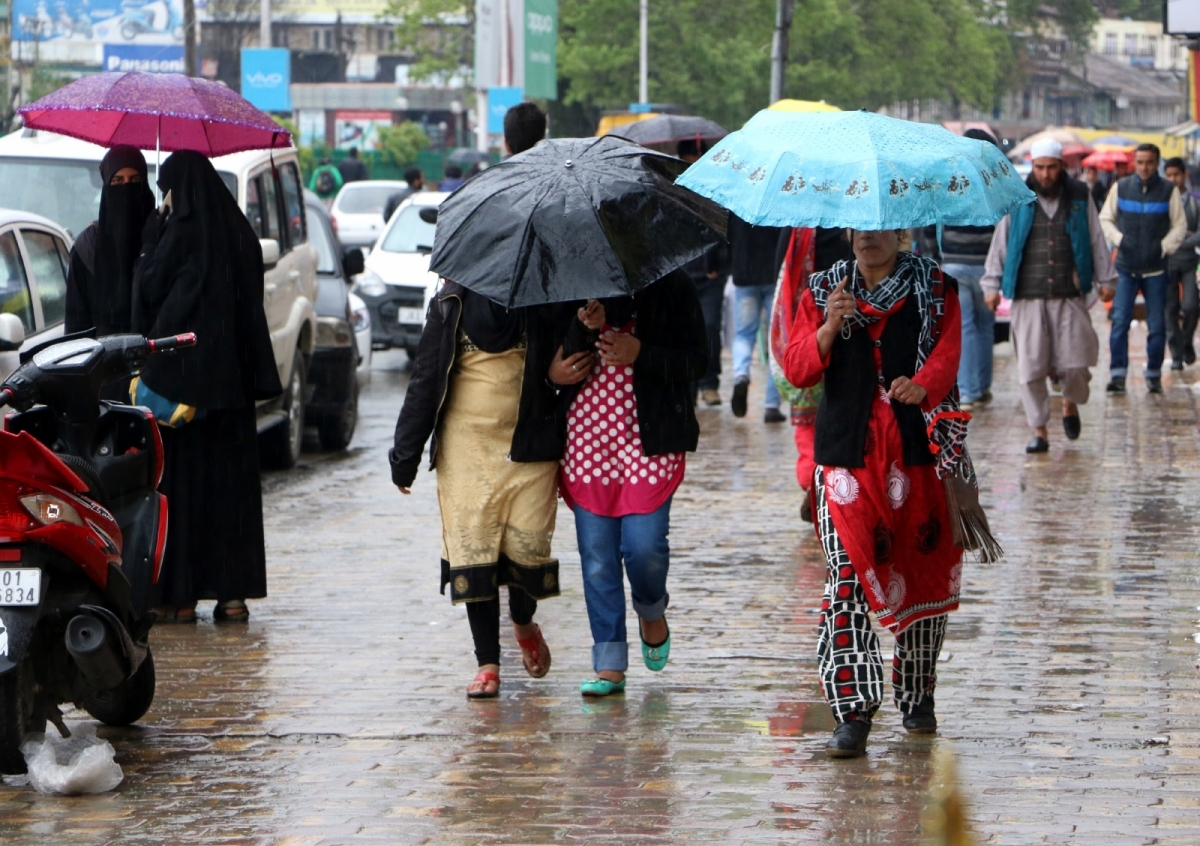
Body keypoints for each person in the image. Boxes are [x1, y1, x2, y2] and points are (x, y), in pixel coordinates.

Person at [782, 230, 966, 759]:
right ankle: (853, 710)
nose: (869, 237)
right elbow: (798, 368)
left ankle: (917, 694)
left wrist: (925, 383)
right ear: (848, 234)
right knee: (846, 580)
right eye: (859, 228)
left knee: (922, 573)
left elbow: (949, 352)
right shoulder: (821, 291)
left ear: (901, 232)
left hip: (919, 457)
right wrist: (829, 327)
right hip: (848, 462)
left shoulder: (935, 286)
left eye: (881, 226)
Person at [390, 284, 569, 698]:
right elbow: (426, 379)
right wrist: (405, 454)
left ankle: (524, 624)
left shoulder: (544, 294)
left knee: (528, 554)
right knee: (476, 553)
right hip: (467, 451)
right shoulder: (449, 303)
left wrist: (563, 358)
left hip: (529, 446)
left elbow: (569, 358)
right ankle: (487, 663)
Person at [131, 150, 283, 623]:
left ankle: (180, 598)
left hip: (180, 396)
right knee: (231, 498)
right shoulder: (239, 234)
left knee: (181, 495)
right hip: (230, 392)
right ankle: (233, 596)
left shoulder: (174, 233)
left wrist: (155, 234)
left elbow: (149, 290)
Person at [557, 272, 707, 697]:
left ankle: (651, 608)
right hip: (586, 442)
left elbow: (697, 361)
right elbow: (548, 362)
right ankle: (608, 663)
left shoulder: (673, 285)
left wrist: (640, 352)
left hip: (650, 441)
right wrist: (582, 327)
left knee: (645, 547)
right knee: (598, 557)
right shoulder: (572, 285)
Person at [982, 138, 1116, 452]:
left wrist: (1107, 279)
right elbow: (1001, 243)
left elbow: (1096, 240)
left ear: (1062, 168)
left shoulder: (1080, 197)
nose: (1045, 175)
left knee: (1075, 364)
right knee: (1030, 369)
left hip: (1069, 293)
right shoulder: (1017, 199)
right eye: (1039, 168)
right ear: (1033, 167)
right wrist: (991, 285)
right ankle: (1039, 430)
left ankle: (1070, 402)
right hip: (1028, 296)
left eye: (1051, 168)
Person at [771, 227, 853, 522]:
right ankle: (816, 486)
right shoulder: (859, 223)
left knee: (809, 418)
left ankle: (812, 482)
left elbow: (783, 268)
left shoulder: (804, 224)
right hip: (823, 326)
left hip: (809, 322)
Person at [917, 128, 1001, 410]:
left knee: (964, 327)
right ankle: (982, 387)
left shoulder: (947, 181)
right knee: (985, 326)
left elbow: (930, 223)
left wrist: (934, 256)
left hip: (953, 262)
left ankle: (967, 391)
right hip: (988, 267)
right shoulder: (996, 184)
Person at [65, 145, 157, 400]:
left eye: (135, 180)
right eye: (117, 181)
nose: (126, 188)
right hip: (104, 383)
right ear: (106, 186)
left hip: (156, 381)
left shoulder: (161, 240)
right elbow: (76, 329)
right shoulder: (87, 248)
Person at [1099, 143, 1187, 394]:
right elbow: (1105, 218)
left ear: (1157, 163)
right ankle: (1117, 375)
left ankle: (1154, 374)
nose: (1144, 167)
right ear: (1134, 163)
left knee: (1157, 326)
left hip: (1157, 270)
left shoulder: (1168, 191)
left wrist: (1163, 246)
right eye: (1140, 162)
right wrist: (1120, 239)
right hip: (1126, 269)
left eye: (1149, 162)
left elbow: (1179, 226)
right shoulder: (1122, 188)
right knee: (1119, 323)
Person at [678, 137, 728, 407]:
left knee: (709, 327)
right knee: (685, 331)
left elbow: (725, 230)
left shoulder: (716, 190)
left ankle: (710, 382)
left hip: (711, 276)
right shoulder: (672, 189)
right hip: (683, 274)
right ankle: (691, 384)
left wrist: (719, 264)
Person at [728, 212, 786, 422]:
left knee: (743, 334)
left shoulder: (738, 202)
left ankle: (741, 374)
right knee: (775, 340)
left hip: (744, 274)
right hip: (773, 274)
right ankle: (771, 404)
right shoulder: (776, 199)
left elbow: (727, 236)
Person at [1163, 157, 1200, 370]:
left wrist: (1182, 241)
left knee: (1191, 306)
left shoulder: (1195, 201)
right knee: (1169, 310)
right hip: (1167, 262)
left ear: (1184, 175)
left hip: (1189, 262)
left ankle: (1186, 342)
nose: (1173, 179)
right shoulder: (1161, 201)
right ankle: (1176, 355)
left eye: (1176, 174)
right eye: (1169, 175)